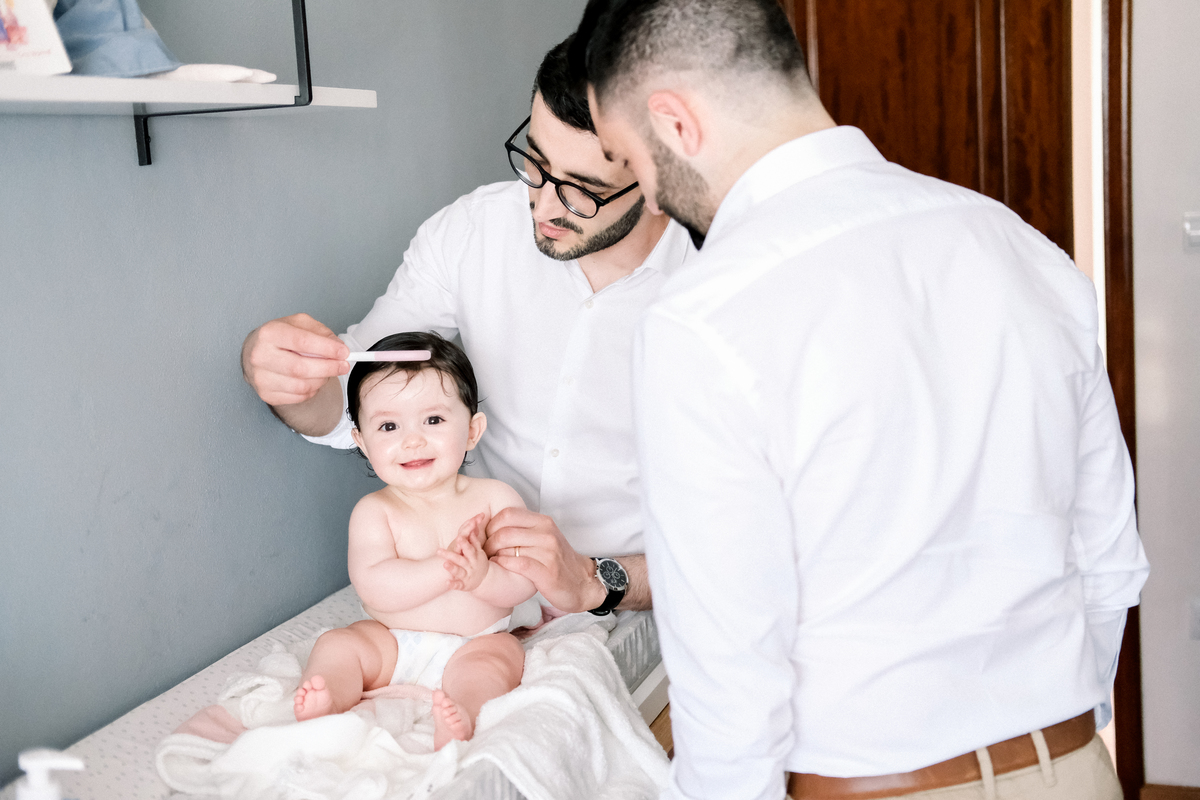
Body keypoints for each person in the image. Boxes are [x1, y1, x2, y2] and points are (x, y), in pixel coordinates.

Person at [571, 2, 1151, 799]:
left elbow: (731, 669)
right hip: (1074, 769)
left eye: (631, 160)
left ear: (675, 121)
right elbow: (1110, 560)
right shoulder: (1022, 247)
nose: (654, 199)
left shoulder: (701, 319)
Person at [240, 36, 695, 618]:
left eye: (583, 191)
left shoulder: (732, 288)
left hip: (636, 601)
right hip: (473, 594)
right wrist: (288, 379)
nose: (543, 207)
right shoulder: (473, 232)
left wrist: (594, 581)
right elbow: (355, 396)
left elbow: (752, 546)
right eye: (535, 162)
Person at [293, 332, 536, 751]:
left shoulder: (497, 499)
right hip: (392, 641)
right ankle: (331, 694)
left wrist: (482, 577)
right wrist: (447, 568)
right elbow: (375, 586)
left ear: (472, 430)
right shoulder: (375, 511)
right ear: (362, 442)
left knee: (500, 659)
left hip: (477, 640)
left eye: (433, 420)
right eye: (389, 426)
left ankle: (463, 713)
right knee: (338, 644)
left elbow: (524, 581)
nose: (412, 440)